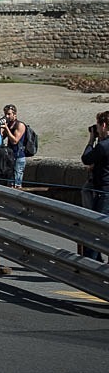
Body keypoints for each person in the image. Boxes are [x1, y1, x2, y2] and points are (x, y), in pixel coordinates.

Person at [81, 111, 109, 261]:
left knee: (94, 230)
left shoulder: (103, 146)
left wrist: (91, 140)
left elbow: (86, 158)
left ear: (103, 125)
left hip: (104, 192)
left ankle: (90, 265)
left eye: (98, 126)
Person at [0, 104, 28, 188]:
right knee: (10, 183)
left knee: (17, 184)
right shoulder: (8, 125)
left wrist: (7, 129)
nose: (6, 116)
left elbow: (15, 141)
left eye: (8, 114)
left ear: (14, 114)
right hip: (10, 156)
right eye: (5, 114)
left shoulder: (20, 125)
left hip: (18, 157)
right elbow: (1, 138)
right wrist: (1, 127)